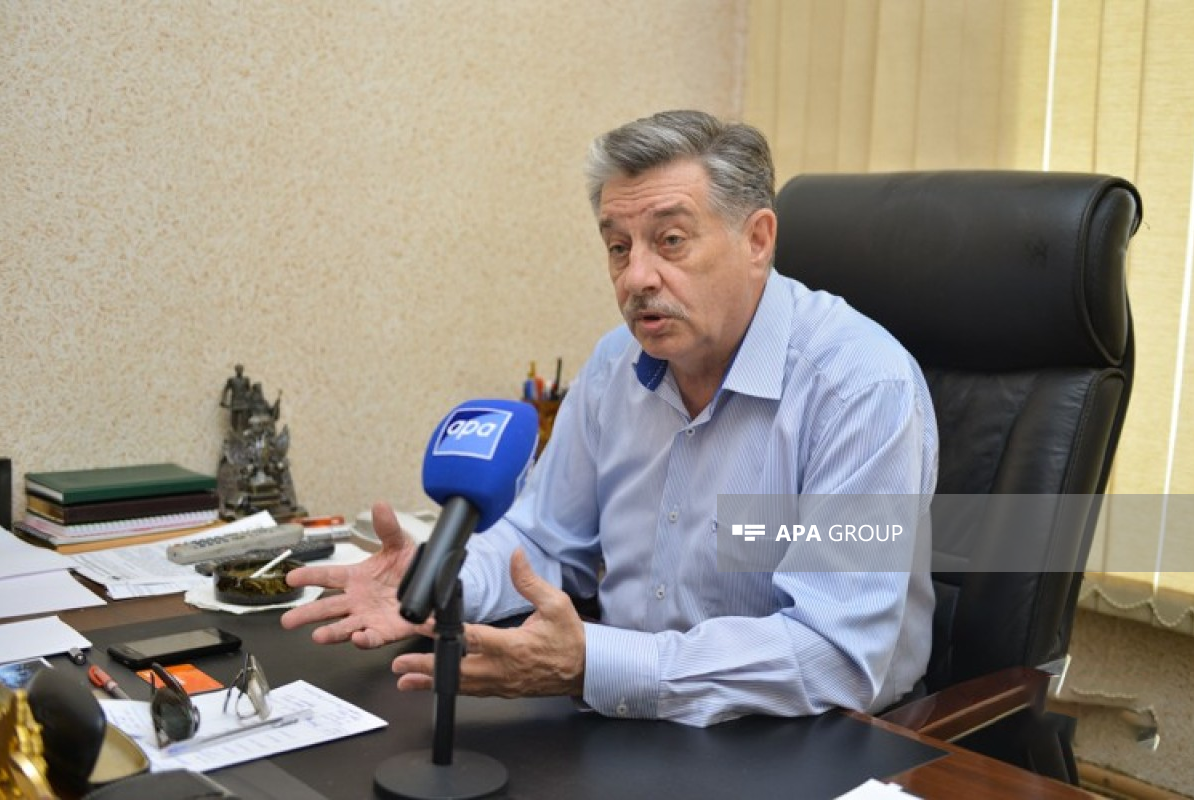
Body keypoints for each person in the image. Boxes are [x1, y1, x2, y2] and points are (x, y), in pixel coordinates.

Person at [282, 110, 938, 727]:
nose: (636, 277)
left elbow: (833, 652)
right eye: (618, 247)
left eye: (671, 241)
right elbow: (546, 540)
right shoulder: (614, 366)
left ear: (757, 240)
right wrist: (437, 580)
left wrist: (595, 664)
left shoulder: (860, 386)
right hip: (628, 717)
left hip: (811, 736)